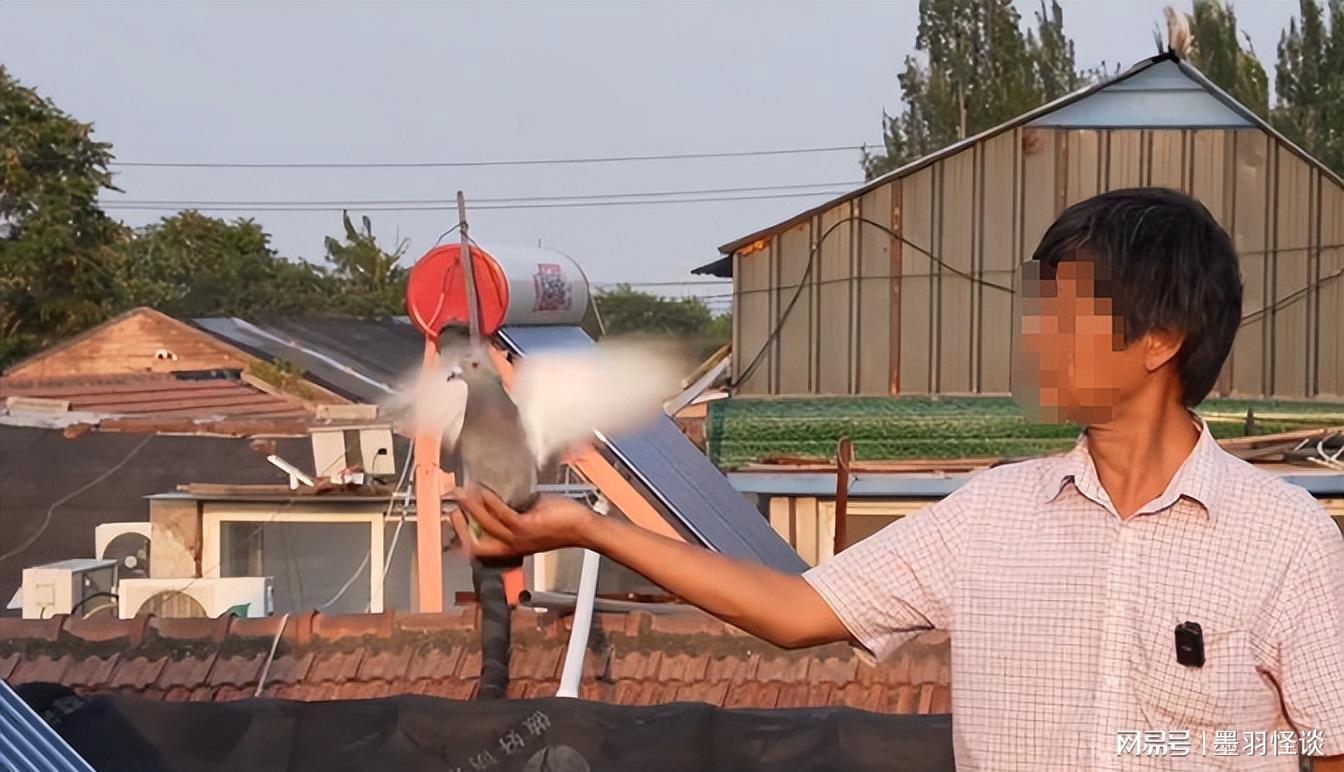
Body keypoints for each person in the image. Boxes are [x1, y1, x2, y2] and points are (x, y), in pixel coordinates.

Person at [452, 188, 1344, 771]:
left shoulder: (1286, 543)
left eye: (1066, 314)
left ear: (1160, 340)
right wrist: (589, 529)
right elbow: (795, 611)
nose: (1036, 338)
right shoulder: (991, 516)